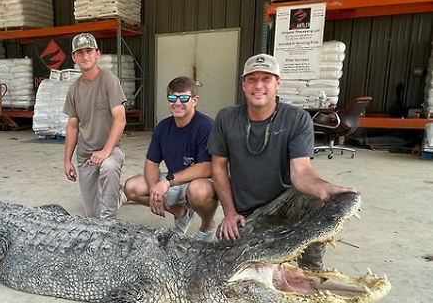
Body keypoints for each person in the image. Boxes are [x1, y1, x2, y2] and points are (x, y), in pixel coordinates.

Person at [208, 53, 356, 269]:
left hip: (285, 203)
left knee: (315, 203)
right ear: (243, 84)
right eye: (252, 79)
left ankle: (311, 271)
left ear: (278, 84)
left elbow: (301, 172)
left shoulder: (296, 119)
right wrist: (230, 213)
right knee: (225, 254)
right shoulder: (226, 118)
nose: (258, 85)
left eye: (266, 79)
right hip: (248, 213)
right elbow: (218, 168)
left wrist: (323, 189)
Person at [124, 76, 217, 241]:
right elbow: (151, 163)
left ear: (195, 100)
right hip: (173, 180)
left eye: (184, 98)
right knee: (131, 187)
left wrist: (167, 182)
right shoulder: (162, 127)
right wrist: (154, 190)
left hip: (200, 181)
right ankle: (180, 212)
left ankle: (207, 226)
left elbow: (206, 167)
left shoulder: (206, 126)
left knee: (198, 192)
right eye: (173, 98)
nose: (177, 103)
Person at [63, 33, 127, 219]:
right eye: (80, 52)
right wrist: (67, 160)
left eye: (89, 51)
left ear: (97, 53)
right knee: (91, 214)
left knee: (108, 166)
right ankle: (120, 195)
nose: (85, 56)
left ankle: (109, 224)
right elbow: (73, 126)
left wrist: (106, 151)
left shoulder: (109, 81)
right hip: (86, 156)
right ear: (74, 57)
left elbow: (120, 119)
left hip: (110, 150)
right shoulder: (74, 89)